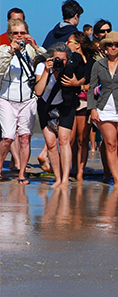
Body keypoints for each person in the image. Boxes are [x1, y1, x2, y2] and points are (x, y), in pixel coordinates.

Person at [0, 19, 46, 183]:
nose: (19, 36)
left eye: (22, 33)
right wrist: (10, 53)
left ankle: (21, 174)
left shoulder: (31, 51)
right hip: (7, 99)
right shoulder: (3, 50)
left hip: (28, 99)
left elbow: (48, 59)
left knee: (25, 137)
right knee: (7, 137)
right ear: (9, 35)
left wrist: (35, 46)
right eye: (15, 33)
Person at [87, 31, 118, 188]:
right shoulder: (98, 64)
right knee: (110, 145)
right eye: (110, 44)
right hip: (104, 108)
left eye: (116, 45)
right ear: (105, 47)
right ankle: (116, 180)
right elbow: (92, 87)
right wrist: (92, 109)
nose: (113, 47)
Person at [34, 42, 84, 188]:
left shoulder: (69, 68)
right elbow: (38, 91)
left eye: (63, 60)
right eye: (56, 59)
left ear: (67, 60)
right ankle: (57, 178)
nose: (59, 62)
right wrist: (46, 71)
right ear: (50, 58)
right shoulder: (42, 67)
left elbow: (84, 78)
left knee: (63, 140)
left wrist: (76, 83)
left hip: (65, 106)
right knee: (50, 143)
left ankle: (65, 179)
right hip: (45, 106)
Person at [66, 31, 96, 181]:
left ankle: (80, 173)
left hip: (85, 102)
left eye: (69, 41)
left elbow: (96, 85)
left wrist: (79, 86)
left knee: (82, 140)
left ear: (77, 45)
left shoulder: (91, 63)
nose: (67, 44)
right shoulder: (68, 60)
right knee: (69, 140)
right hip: (70, 102)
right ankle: (70, 169)